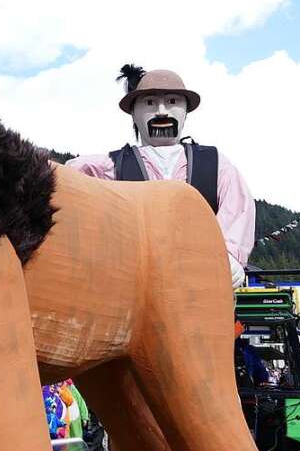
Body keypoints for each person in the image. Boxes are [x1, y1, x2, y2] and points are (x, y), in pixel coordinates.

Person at [66, 65, 255, 287]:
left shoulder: (214, 163)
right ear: (134, 115)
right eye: (150, 103)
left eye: (173, 102)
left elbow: (239, 209)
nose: (162, 111)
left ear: (186, 111)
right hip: (136, 283)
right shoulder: (113, 165)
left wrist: (229, 254)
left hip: (202, 282)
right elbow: (67, 179)